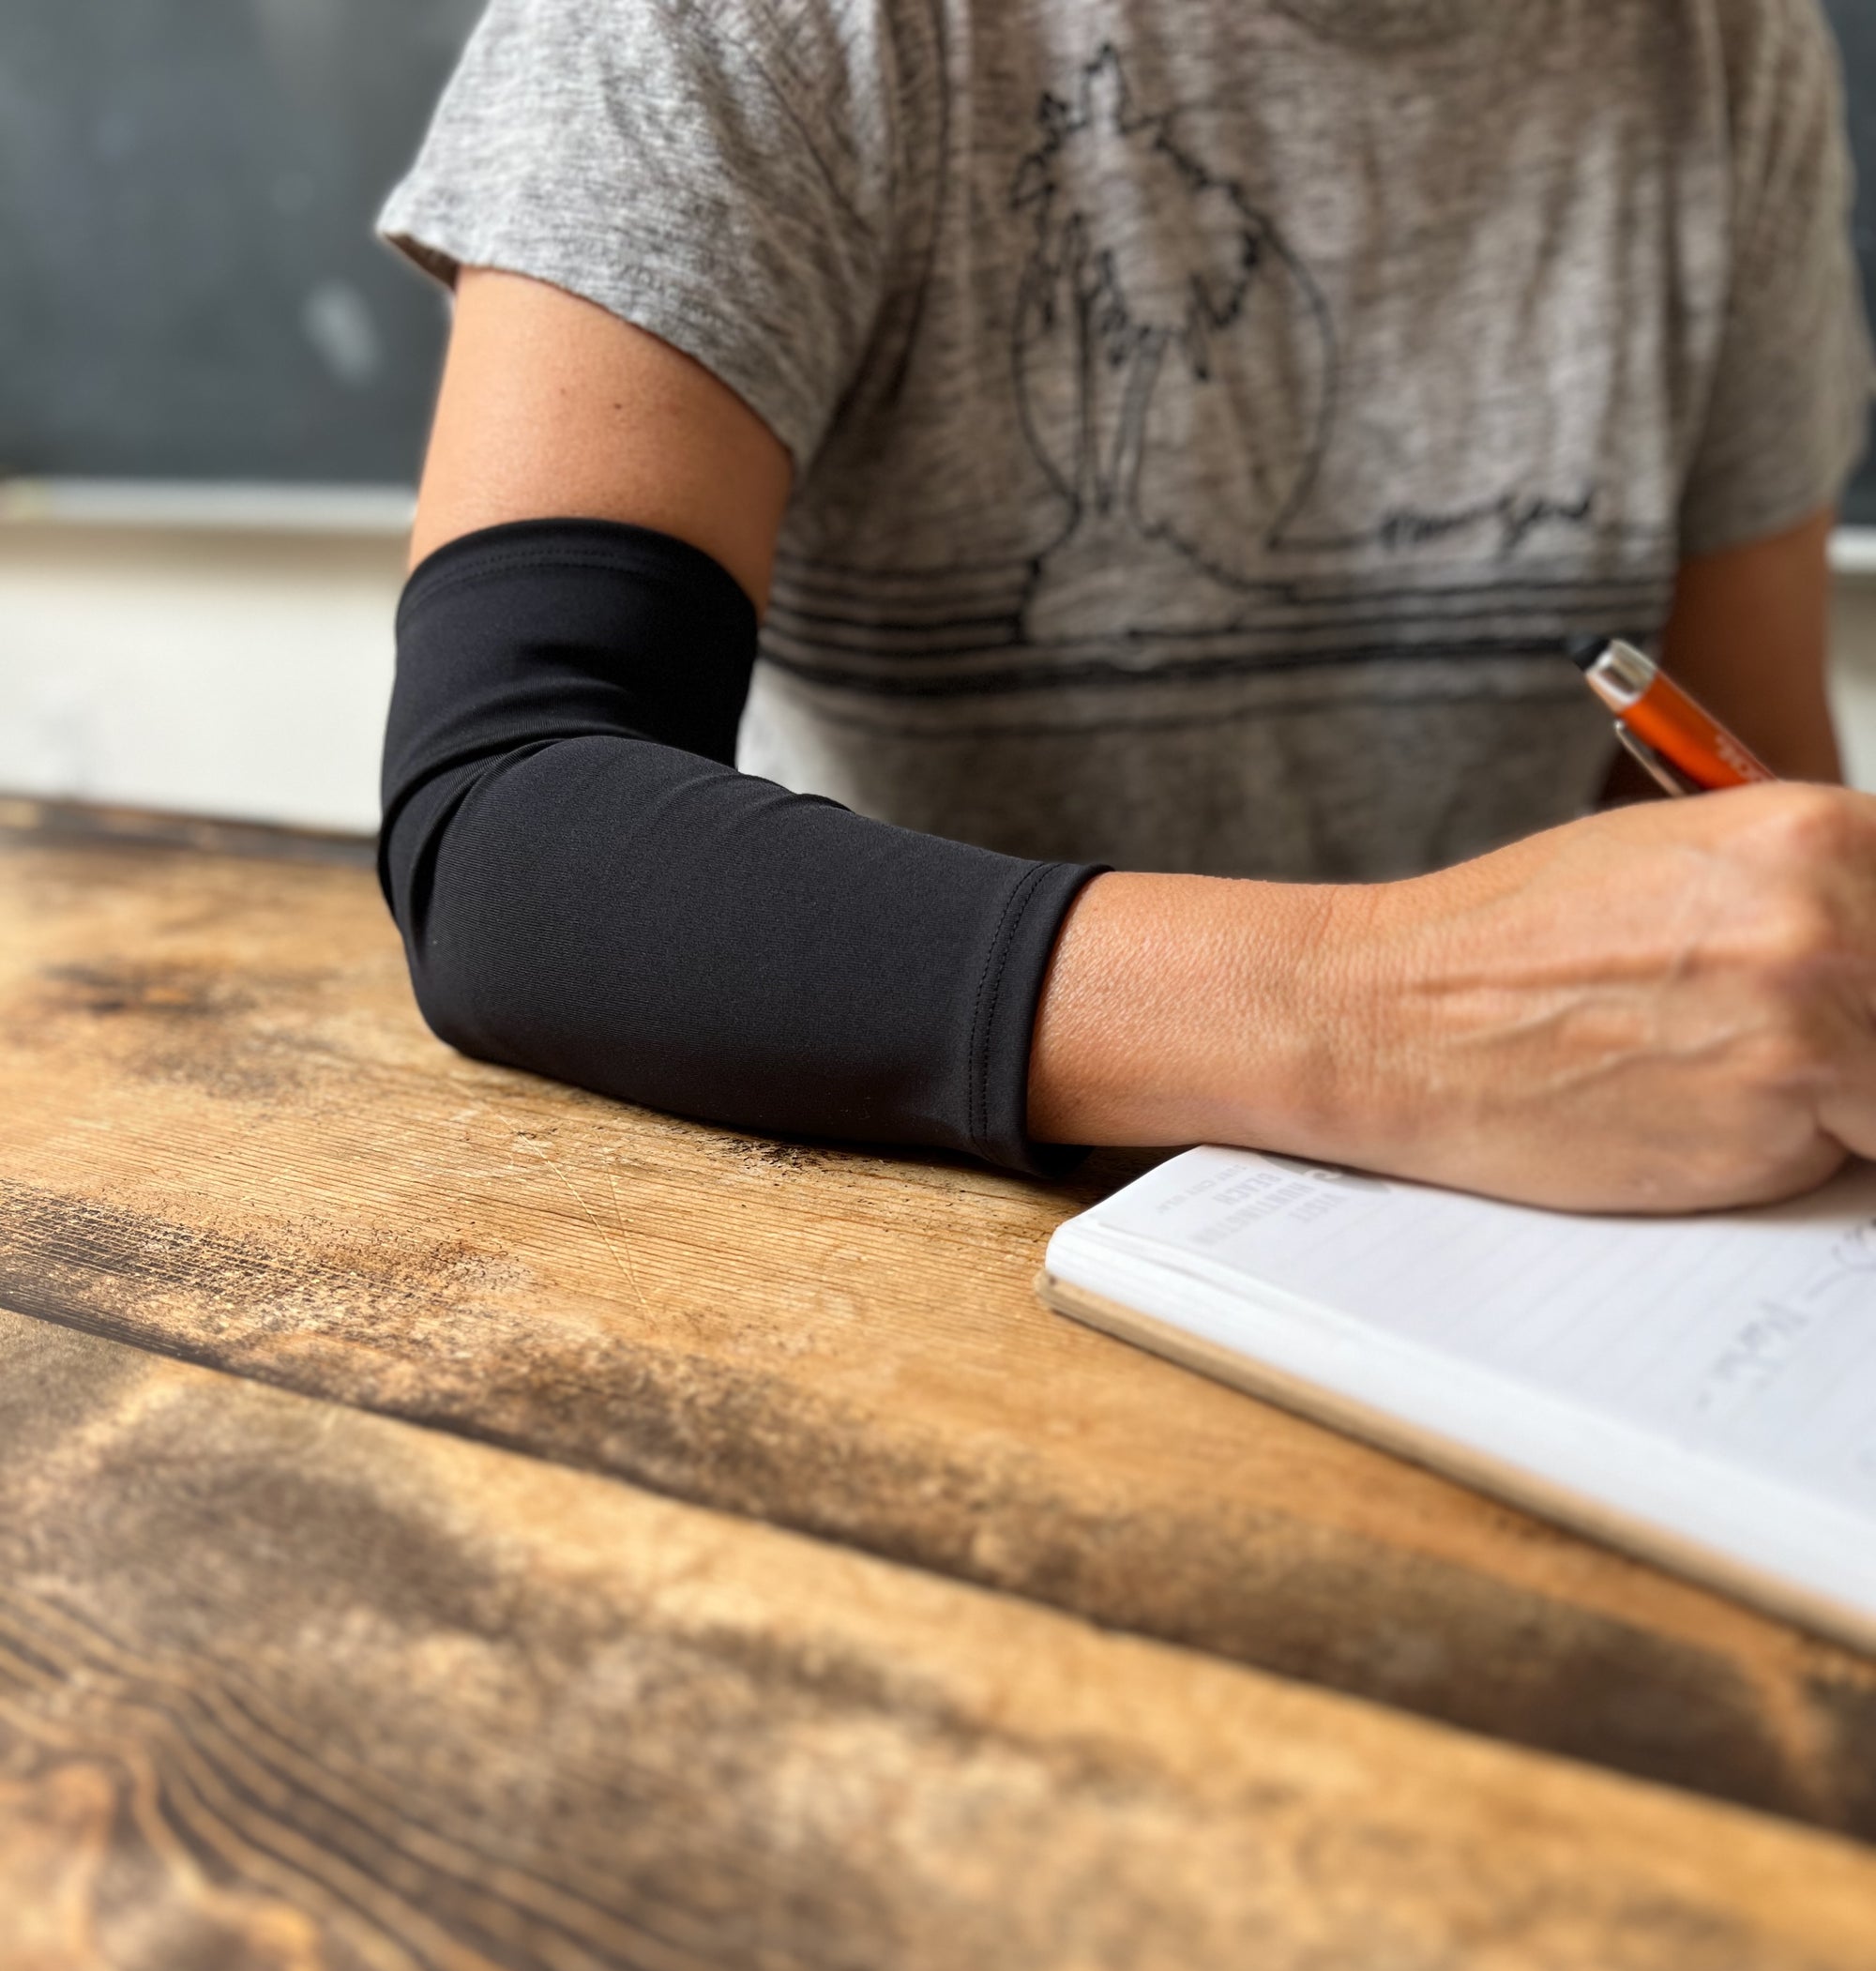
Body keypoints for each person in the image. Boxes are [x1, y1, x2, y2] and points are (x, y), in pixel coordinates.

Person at [377, 0, 1876, 1213]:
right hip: (908, 1213)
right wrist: (1391, 1016)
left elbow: (1732, 783)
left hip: (1517, 1267)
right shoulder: (735, 29)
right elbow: (505, 831)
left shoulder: (1720, 48)